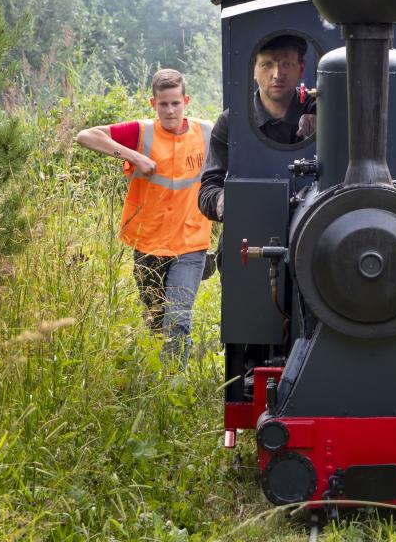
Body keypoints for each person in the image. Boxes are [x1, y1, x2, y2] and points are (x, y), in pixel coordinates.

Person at [75, 69, 213, 364]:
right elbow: (85, 136)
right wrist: (132, 155)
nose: (170, 110)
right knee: (155, 321)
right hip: (147, 241)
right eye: (163, 104)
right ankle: (158, 384)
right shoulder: (142, 132)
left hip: (190, 243)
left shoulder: (206, 132)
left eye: (176, 103)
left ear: (186, 100)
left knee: (178, 320)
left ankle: (174, 381)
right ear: (153, 104)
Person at [198, 34, 316, 222]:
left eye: (286, 64)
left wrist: (324, 124)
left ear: (301, 69)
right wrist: (224, 201)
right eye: (267, 64)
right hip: (250, 228)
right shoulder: (231, 121)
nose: (277, 74)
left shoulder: (322, 112)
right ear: (253, 69)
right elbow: (207, 190)